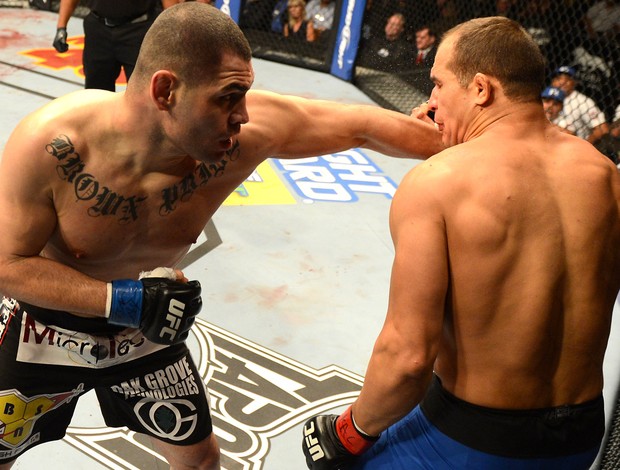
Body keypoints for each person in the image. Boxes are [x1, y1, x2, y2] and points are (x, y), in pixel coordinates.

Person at [0, 3, 443, 469]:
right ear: (165, 89)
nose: (243, 116)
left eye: (245, 95)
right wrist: (121, 300)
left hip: (145, 329)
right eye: (227, 97)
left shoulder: (238, 141)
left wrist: (452, 139)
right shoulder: (54, 146)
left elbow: (361, 128)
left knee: (200, 461)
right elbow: (7, 265)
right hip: (45, 328)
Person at [302, 15, 620, 470]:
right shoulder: (605, 175)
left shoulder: (438, 184)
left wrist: (347, 433)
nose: (430, 102)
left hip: (474, 445)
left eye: (437, 84)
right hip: (582, 437)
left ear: (480, 89)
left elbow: (408, 359)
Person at [52, 0, 176, 91]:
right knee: (96, 91)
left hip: (139, 29)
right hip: (98, 28)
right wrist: (61, 27)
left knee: (143, 92)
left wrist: (175, 34)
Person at [551, 65, 610, 144]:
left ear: (575, 82)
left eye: (567, 80)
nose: (562, 82)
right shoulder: (547, 98)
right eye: (558, 79)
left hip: (573, 146)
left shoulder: (583, 101)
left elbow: (602, 129)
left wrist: (584, 147)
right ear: (552, 81)